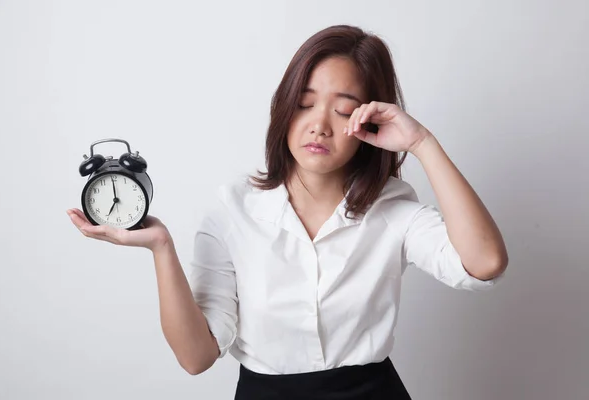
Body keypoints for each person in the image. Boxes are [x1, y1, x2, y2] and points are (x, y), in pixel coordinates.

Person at [67, 25, 508, 400]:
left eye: (343, 110)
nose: (319, 124)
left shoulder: (393, 206)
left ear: (370, 122)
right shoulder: (232, 209)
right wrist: (161, 248)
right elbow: (196, 357)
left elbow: (484, 264)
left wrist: (421, 144)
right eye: (304, 103)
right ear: (284, 106)